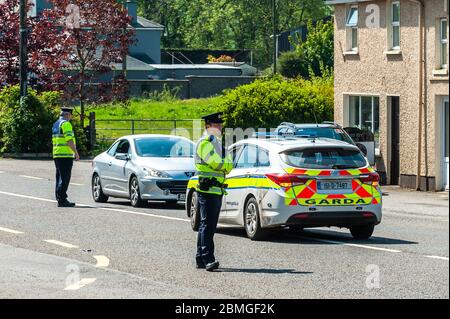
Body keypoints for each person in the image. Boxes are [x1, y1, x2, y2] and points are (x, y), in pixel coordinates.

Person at [195, 112, 233, 271]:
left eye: (221, 125)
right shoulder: (205, 142)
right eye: (217, 125)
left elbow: (229, 164)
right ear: (208, 126)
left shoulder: (216, 142)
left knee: (207, 224)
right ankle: (208, 259)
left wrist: (226, 164)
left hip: (215, 189)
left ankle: (200, 259)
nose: (220, 127)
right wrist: (225, 163)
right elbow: (217, 163)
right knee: (208, 226)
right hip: (208, 189)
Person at [52, 107, 80, 207]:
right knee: (65, 177)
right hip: (65, 155)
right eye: (71, 115)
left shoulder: (56, 124)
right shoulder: (66, 124)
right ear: (68, 115)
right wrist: (75, 152)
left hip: (57, 154)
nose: (71, 118)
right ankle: (62, 199)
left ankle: (59, 197)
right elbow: (69, 140)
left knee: (59, 177)